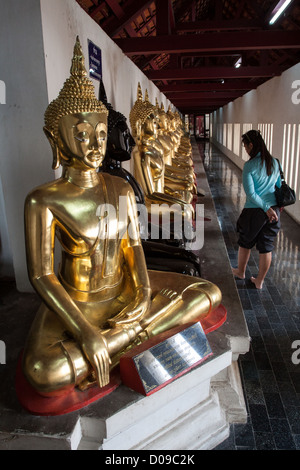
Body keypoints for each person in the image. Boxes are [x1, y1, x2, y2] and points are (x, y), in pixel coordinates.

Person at [22, 37, 222, 398]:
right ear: (56, 138)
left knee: (207, 292)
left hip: (126, 291)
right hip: (78, 301)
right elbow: (41, 275)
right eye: (81, 135)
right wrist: (83, 331)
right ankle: (126, 339)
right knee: (44, 372)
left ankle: (119, 342)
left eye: (100, 134)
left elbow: (133, 247)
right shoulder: (43, 200)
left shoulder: (120, 187)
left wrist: (144, 294)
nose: (96, 145)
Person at [232, 130, 282, 289]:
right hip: (274, 212)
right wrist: (271, 207)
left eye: (245, 146)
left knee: (245, 243)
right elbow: (279, 187)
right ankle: (259, 281)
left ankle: (241, 272)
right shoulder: (275, 162)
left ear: (251, 145)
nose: (245, 149)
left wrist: (265, 207)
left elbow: (251, 193)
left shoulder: (250, 165)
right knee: (266, 247)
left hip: (254, 211)